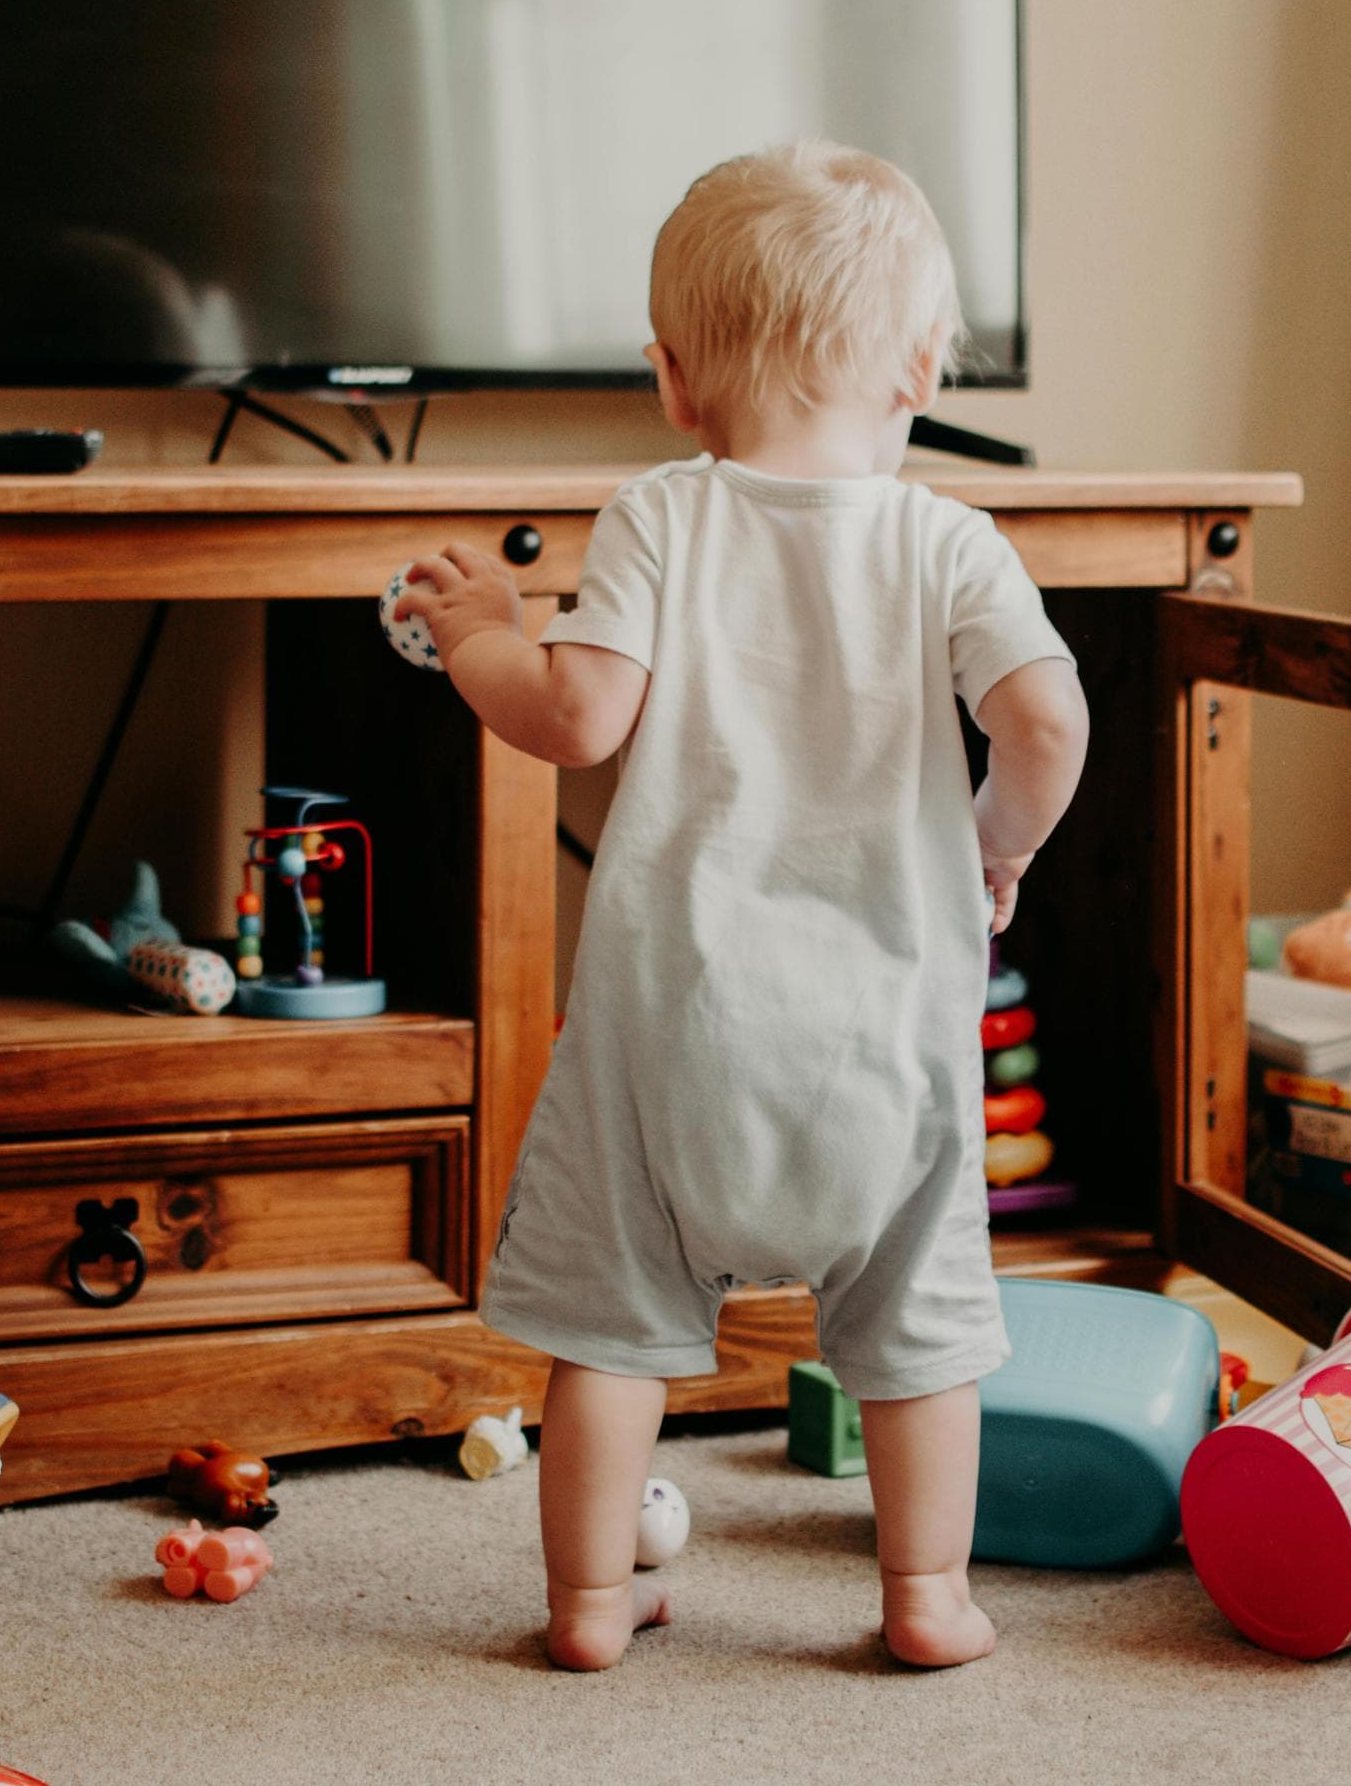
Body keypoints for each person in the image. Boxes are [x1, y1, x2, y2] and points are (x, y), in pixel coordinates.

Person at [394, 140, 1088, 1673]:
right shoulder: (949, 539)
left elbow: (573, 721)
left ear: (673, 380)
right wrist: (996, 846)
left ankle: (589, 1605)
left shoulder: (662, 514)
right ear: (919, 364)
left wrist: (482, 633)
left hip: (671, 1035)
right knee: (914, 1344)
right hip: (889, 1038)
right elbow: (1046, 725)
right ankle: (924, 1599)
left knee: (614, 1331)